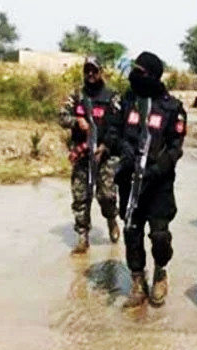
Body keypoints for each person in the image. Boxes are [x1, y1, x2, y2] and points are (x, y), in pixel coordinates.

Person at [106, 51, 187, 308]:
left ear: (152, 75)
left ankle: (160, 273)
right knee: (132, 231)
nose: (134, 76)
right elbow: (112, 131)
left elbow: (176, 146)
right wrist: (122, 149)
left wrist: (159, 167)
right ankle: (138, 281)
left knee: (160, 235)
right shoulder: (125, 101)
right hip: (129, 180)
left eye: (140, 72)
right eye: (134, 71)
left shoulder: (171, 107)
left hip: (159, 183)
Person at [58, 56, 120, 254]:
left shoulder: (112, 96)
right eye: (87, 70)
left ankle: (111, 219)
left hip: (105, 154)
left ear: (101, 72)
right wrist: (77, 121)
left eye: (94, 70)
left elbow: (117, 125)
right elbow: (61, 116)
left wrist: (105, 146)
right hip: (82, 153)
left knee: (107, 196)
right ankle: (83, 236)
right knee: (80, 197)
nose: (90, 74)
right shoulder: (77, 95)